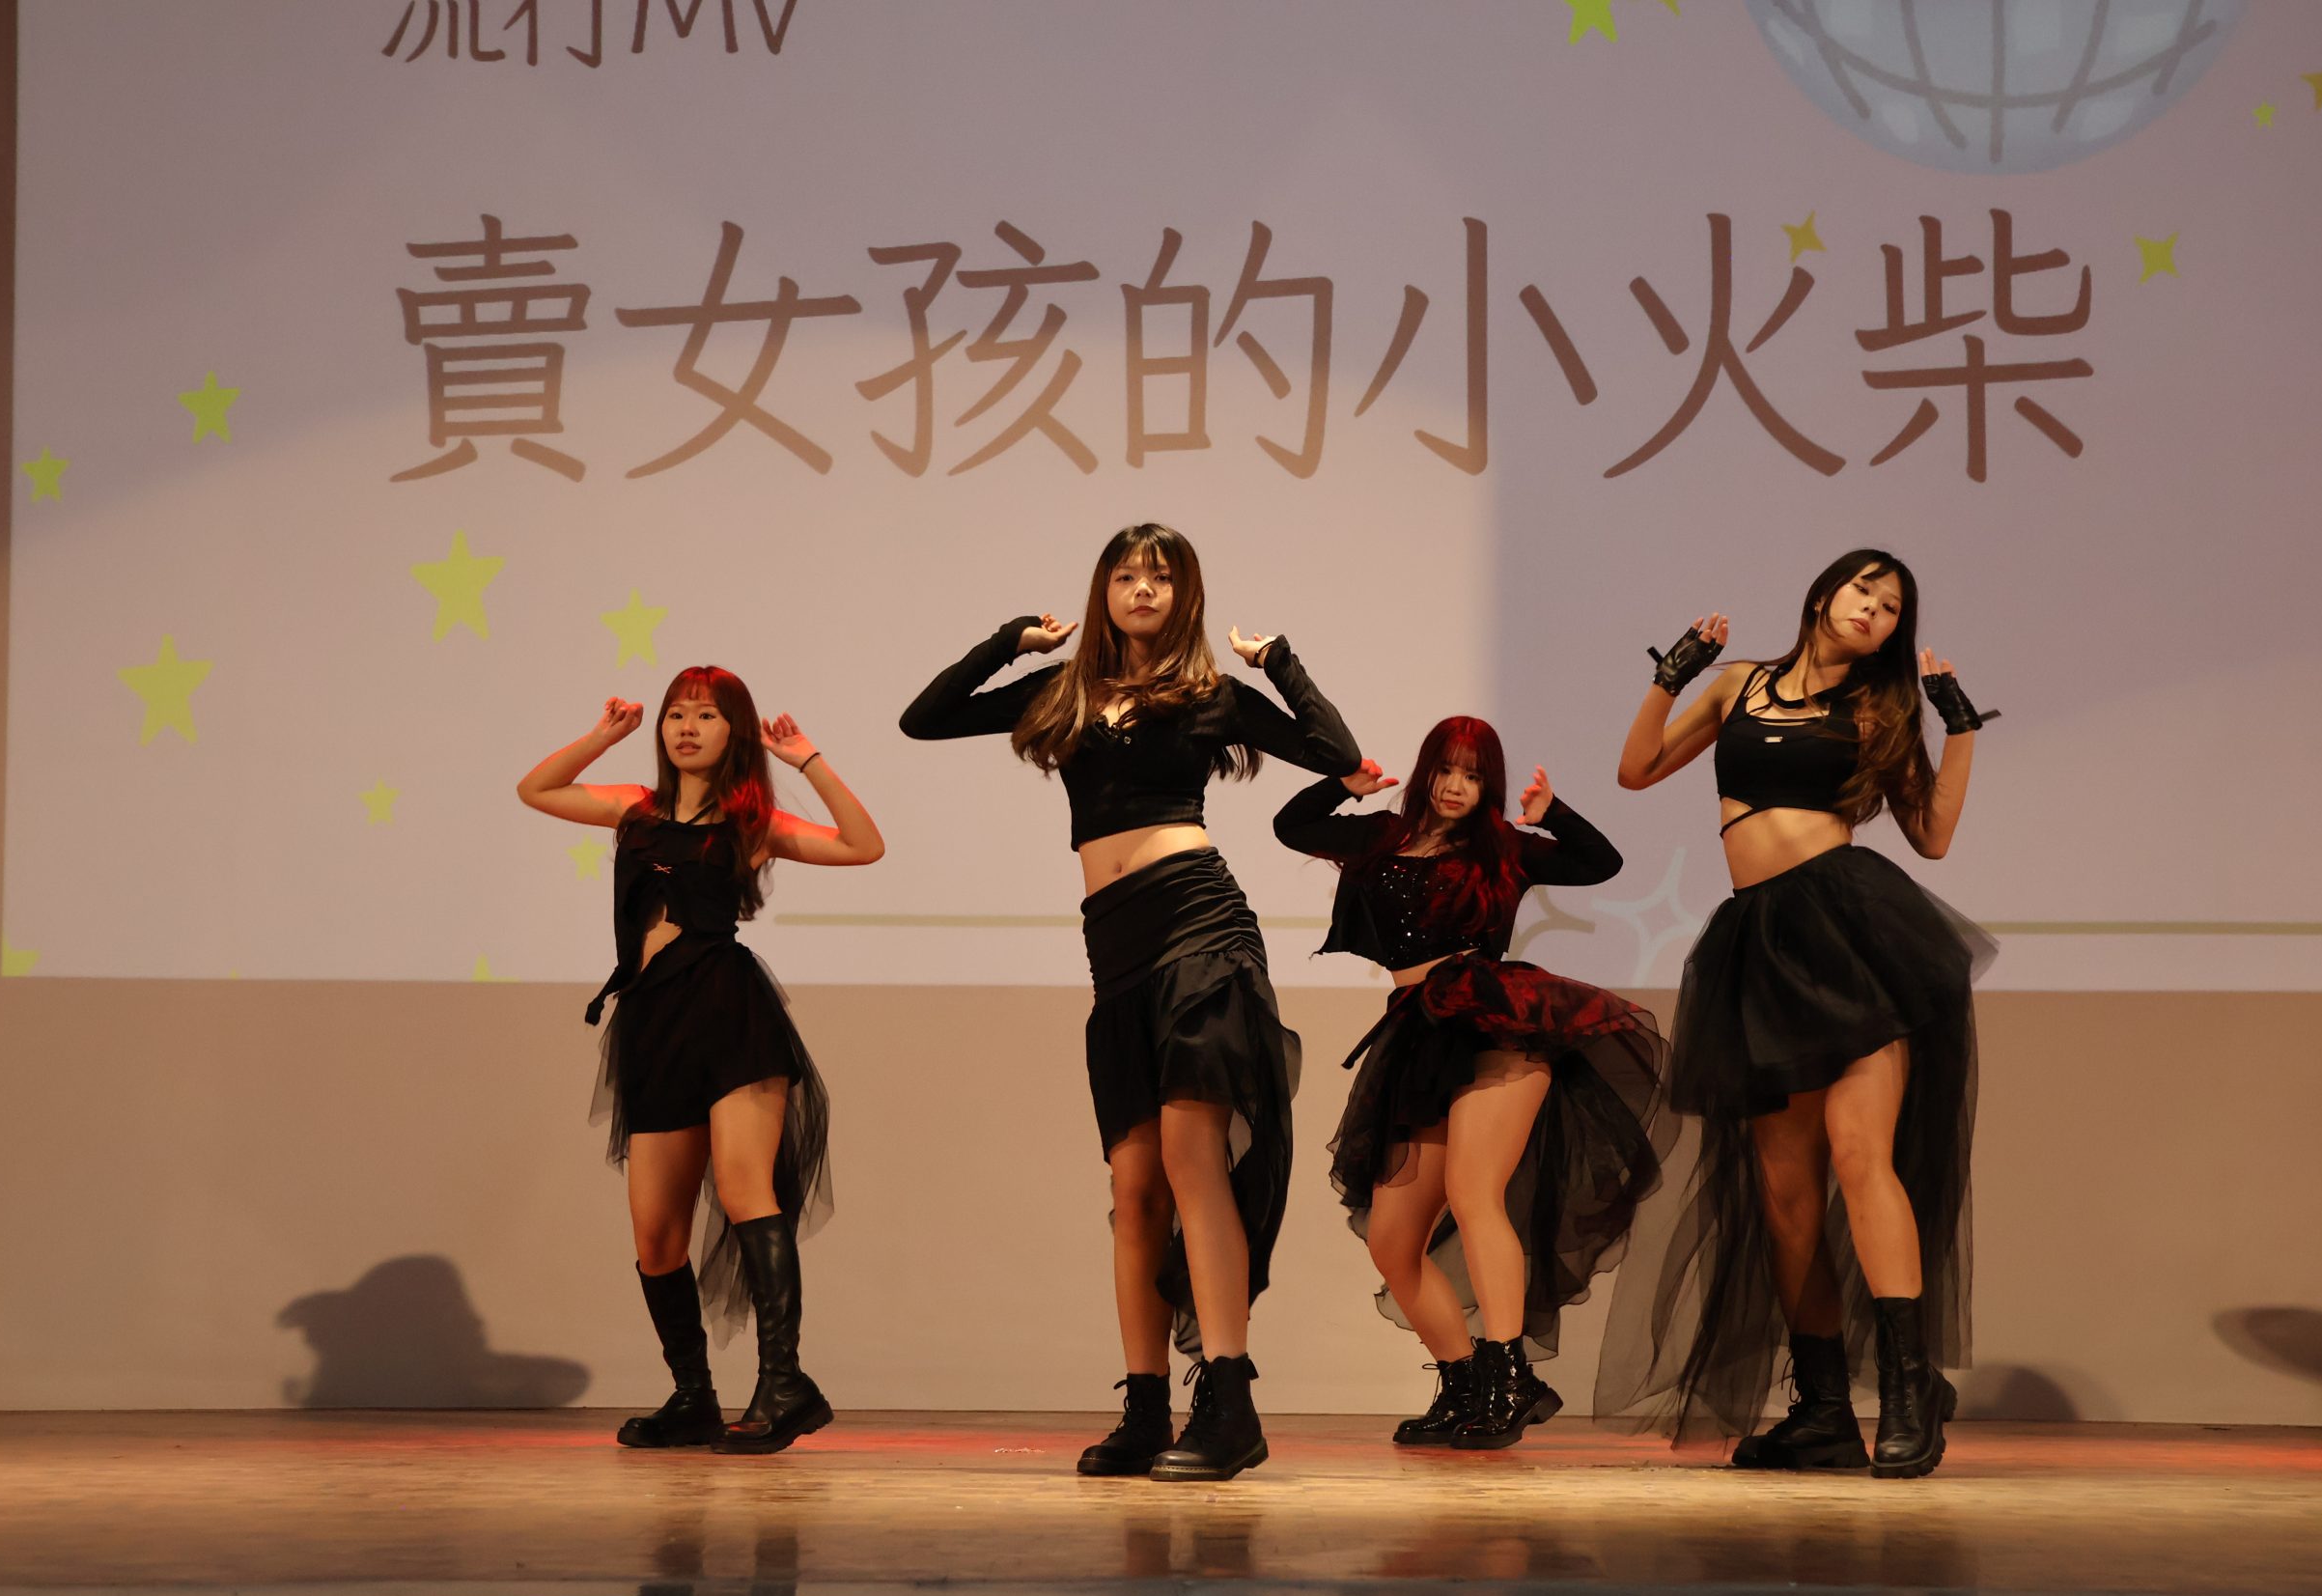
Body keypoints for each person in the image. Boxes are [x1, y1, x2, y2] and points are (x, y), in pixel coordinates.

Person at [900, 522, 1359, 1481]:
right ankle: (1146, 1407)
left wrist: (1279, 660)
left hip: (1200, 929)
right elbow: (925, 719)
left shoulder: (1211, 696)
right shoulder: (1061, 691)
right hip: (1114, 953)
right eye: (1124, 574)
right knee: (1134, 1189)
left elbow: (1333, 750)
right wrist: (1008, 641)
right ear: (1102, 591)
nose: (1142, 588)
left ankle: (1228, 1403)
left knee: (1194, 1161)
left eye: (1160, 576)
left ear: (1184, 596)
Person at [1598, 549, 1996, 1478]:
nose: (1874, 610)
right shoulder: (1738, 685)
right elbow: (1636, 769)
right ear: (1823, 595)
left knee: (1861, 1157)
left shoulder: (1878, 710)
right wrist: (1671, 676)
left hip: (1848, 929)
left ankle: (1908, 1392)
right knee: (1785, 1196)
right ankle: (1822, 1411)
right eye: (1864, 590)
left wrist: (1960, 729)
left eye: (1890, 606)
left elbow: (1932, 836)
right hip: (1757, 942)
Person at [1275, 717, 1670, 1448]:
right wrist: (1344, 785)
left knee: (1474, 1190)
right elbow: (1291, 826)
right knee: (1393, 1240)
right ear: (1427, 771)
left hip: (1495, 1020)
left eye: (1474, 774)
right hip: (1417, 1032)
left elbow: (1600, 862)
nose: (1457, 785)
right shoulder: (1381, 836)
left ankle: (1510, 1377)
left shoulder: (1504, 848)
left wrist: (1552, 813)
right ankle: (1463, 1386)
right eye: (1447, 769)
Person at [518, 666, 883, 1454]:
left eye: (707, 715)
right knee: (656, 1235)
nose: (687, 727)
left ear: (735, 732)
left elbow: (864, 845)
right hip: (651, 1020)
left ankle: (784, 1383)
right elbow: (536, 789)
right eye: (676, 714)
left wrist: (809, 760)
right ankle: (693, 1397)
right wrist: (603, 735)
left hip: (728, 1013)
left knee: (746, 1188)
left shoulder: (751, 823)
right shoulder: (634, 808)